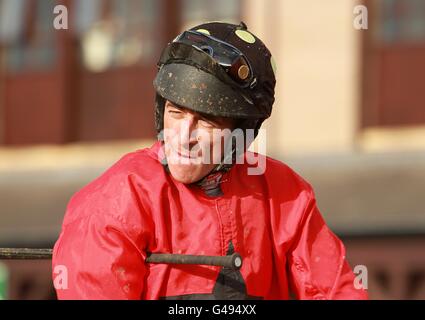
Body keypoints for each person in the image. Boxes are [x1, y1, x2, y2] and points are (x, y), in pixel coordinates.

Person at [52, 22, 368, 300]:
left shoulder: (286, 195)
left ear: (241, 132)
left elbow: (337, 290)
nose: (183, 136)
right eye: (176, 113)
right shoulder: (116, 201)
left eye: (206, 121)